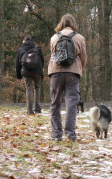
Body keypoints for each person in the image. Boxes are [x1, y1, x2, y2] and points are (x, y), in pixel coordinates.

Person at [48, 14, 87, 142]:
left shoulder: (54, 37)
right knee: (71, 104)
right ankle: (70, 134)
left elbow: (53, 55)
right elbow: (84, 58)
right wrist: (79, 70)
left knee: (55, 102)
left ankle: (56, 133)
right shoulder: (79, 38)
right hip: (72, 73)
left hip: (56, 72)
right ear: (73, 23)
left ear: (61, 23)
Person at [16, 35, 44, 114]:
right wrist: (42, 72)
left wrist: (19, 76)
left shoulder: (21, 49)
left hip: (26, 71)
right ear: (31, 40)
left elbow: (18, 64)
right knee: (37, 88)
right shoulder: (37, 48)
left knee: (29, 89)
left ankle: (29, 110)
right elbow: (42, 61)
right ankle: (37, 108)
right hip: (37, 71)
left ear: (24, 40)